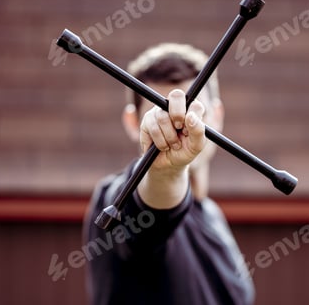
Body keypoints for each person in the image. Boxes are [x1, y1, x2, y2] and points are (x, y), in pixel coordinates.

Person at [83, 43, 254, 305]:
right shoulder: (114, 201)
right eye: (159, 114)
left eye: (194, 111)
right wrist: (166, 171)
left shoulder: (213, 217)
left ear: (217, 115)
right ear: (133, 123)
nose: (178, 125)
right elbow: (146, 213)